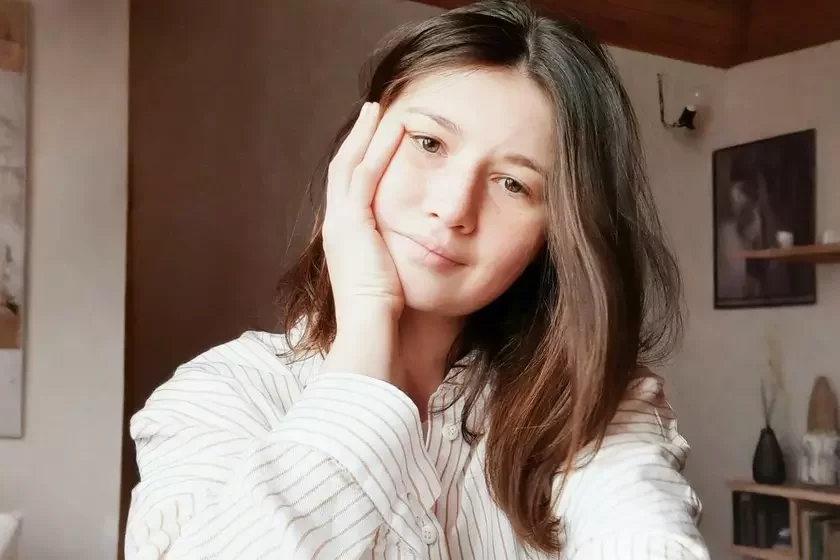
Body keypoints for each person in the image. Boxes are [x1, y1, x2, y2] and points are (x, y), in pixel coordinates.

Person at [125, 1, 709, 558]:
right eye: (429, 143)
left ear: (555, 233)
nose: (454, 208)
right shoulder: (222, 393)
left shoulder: (594, 406)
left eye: (514, 184)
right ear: (358, 152)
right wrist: (365, 328)